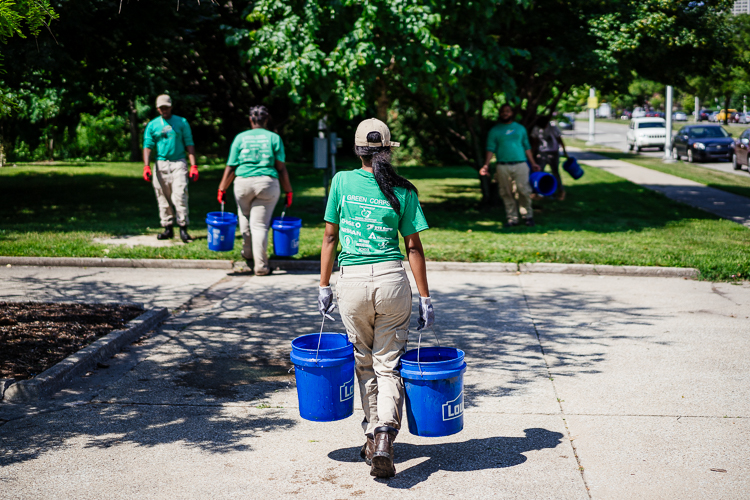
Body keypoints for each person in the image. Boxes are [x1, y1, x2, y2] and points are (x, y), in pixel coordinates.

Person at [318, 118, 434, 479]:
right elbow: (413, 246)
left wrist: (323, 286)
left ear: (357, 150)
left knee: (364, 363)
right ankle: (383, 433)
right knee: (388, 364)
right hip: (391, 282)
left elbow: (329, 238)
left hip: (351, 283)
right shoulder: (404, 190)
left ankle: (373, 435)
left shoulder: (341, 181)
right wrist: (426, 298)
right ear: (387, 150)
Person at [217, 105, 293, 276]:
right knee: (259, 225)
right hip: (266, 183)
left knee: (244, 217)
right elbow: (281, 168)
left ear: (250, 120)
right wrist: (289, 191)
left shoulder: (240, 138)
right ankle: (261, 266)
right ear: (266, 120)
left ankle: (248, 254)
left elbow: (231, 167)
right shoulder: (274, 138)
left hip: (242, 184)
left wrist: (222, 188)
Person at [143, 94, 199, 242]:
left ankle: (183, 228)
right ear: (157, 109)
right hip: (161, 163)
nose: (164, 110)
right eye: (161, 108)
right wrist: (146, 166)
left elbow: (189, 143)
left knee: (180, 194)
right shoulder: (153, 125)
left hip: (178, 163)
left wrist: (193, 165)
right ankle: (168, 228)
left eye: (166, 107)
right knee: (162, 196)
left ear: (171, 106)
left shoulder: (181, 122)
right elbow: (147, 146)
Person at [479, 104, 541, 227]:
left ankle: (527, 216)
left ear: (512, 113)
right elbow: (490, 149)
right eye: (502, 111)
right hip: (503, 165)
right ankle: (512, 219)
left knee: (523, 190)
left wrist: (533, 163)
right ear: (500, 113)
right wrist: (486, 165)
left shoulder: (520, 129)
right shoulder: (495, 131)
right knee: (506, 192)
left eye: (507, 111)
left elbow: (527, 147)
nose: (505, 113)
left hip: (521, 164)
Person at [531, 115, 568, 200]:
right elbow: (534, 142)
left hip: (554, 152)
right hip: (542, 153)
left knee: (555, 172)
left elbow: (559, 140)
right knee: (540, 172)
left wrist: (564, 151)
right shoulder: (537, 129)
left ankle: (561, 191)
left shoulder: (553, 128)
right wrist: (533, 154)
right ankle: (539, 191)